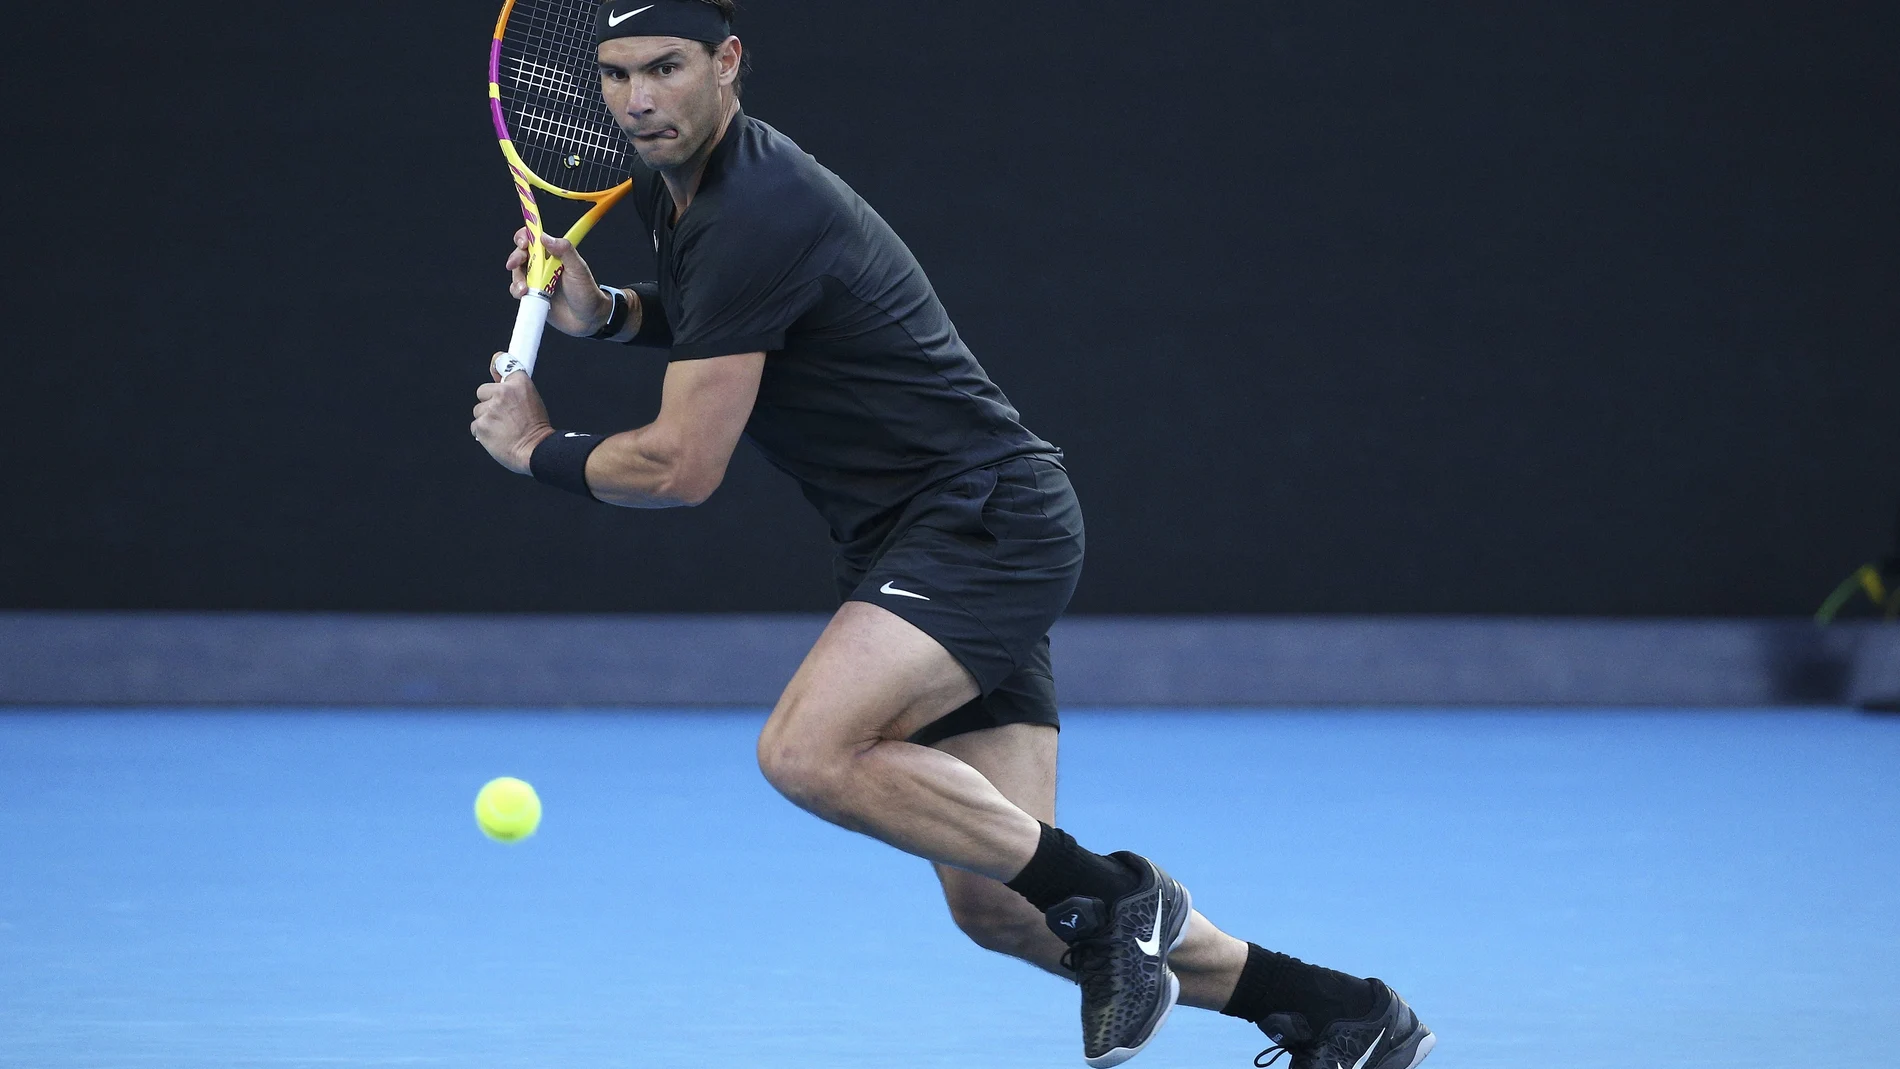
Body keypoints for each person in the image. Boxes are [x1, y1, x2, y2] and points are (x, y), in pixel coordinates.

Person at [469, 3, 1432, 1066]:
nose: (639, 100)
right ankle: (1339, 1012)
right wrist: (606, 313)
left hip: (977, 519)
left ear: (727, 62)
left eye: (666, 68)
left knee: (807, 751)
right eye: (614, 75)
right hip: (926, 529)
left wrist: (537, 449)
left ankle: (1117, 896)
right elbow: (739, 322)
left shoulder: (754, 208)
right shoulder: (687, 188)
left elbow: (678, 467)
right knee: (999, 903)